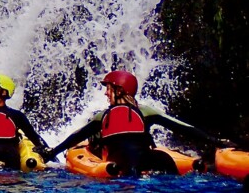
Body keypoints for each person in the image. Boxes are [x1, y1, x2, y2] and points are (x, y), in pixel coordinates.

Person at [39, 70, 229, 176]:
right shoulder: (146, 111)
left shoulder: (102, 116)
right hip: (156, 160)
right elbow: (183, 128)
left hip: (122, 165)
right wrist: (217, 141)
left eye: (109, 89)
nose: (106, 93)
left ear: (119, 90)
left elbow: (75, 138)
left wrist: (50, 154)